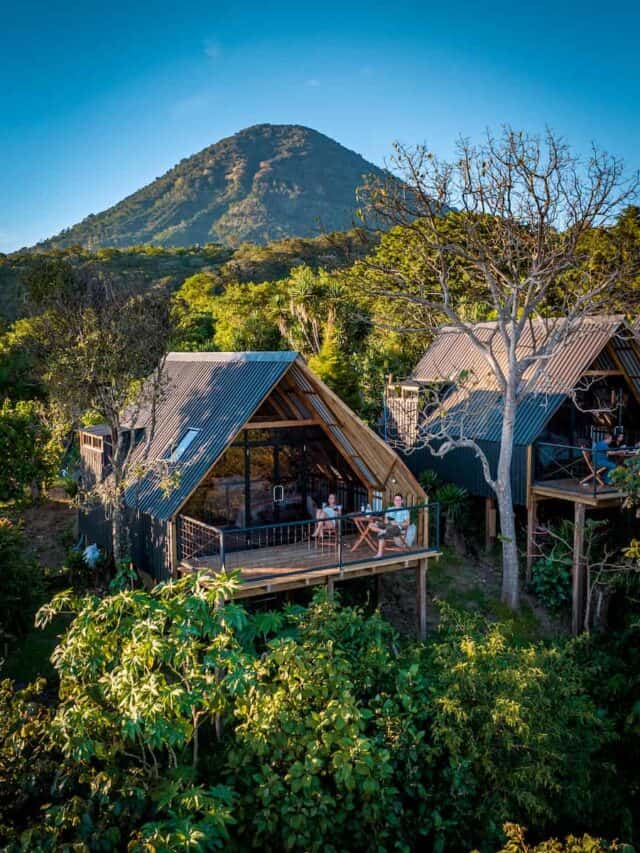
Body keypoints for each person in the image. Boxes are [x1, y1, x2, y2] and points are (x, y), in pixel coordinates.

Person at [369, 493, 410, 558]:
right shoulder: (390, 508)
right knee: (371, 525)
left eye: (399, 500)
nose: (397, 502)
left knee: (381, 534)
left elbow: (407, 523)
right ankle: (383, 531)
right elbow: (385, 521)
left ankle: (379, 554)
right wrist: (388, 521)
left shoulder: (405, 510)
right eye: (396, 500)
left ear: (402, 501)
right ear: (393, 501)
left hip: (397, 527)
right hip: (387, 525)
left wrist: (397, 523)